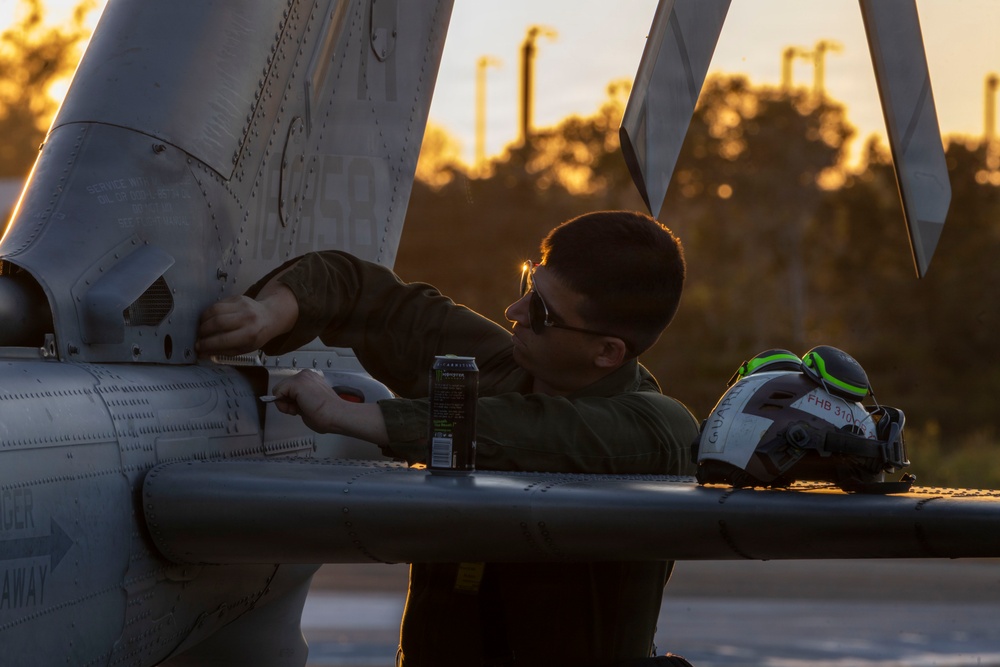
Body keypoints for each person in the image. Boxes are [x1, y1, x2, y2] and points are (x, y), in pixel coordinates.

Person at [196, 210, 698, 667]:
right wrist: (268, 314)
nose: (515, 310)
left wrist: (346, 415)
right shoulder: (500, 365)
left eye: (543, 313)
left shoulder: (658, 431)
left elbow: (531, 432)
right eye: (530, 284)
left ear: (608, 352)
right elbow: (359, 288)